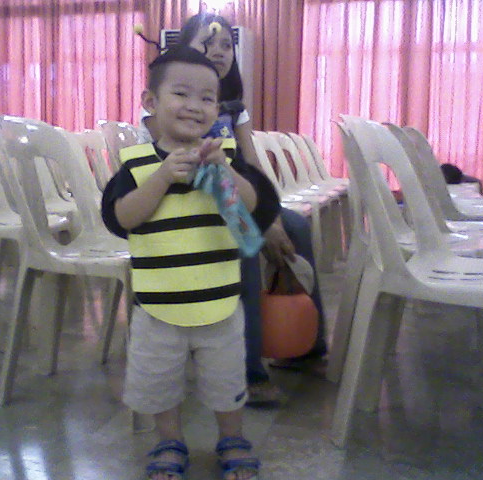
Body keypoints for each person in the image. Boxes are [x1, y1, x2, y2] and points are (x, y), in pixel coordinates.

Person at [102, 45, 277, 480]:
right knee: (159, 379)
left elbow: (249, 214)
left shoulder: (227, 159)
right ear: (150, 101)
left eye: (207, 98)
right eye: (181, 93)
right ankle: (169, 439)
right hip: (158, 304)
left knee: (225, 378)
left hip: (220, 300)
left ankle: (232, 437)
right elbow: (123, 218)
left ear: (217, 109)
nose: (195, 106)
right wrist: (162, 177)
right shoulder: (137, 165)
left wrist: (225, 173)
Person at [141, 13, 328, 400]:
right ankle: (246, 369)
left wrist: (270, 216)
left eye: (226, 44)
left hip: (233, 197)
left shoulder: (234, 108)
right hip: (184, 203)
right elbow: (184, 166)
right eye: (207, 43)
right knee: (241, 240)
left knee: (295, 226)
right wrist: (255, 221)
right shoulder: (166, 107)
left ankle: (307, 347)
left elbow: (253, 167)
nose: (218, 51)